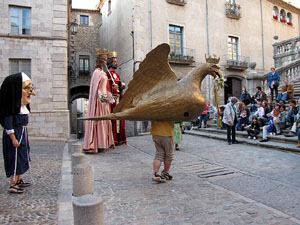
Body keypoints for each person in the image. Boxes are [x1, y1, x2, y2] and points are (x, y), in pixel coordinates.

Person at [0, 72, 36, 194]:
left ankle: (19, 179)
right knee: (14, 157)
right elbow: (8, 123)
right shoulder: (11, 108)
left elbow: (24, 124)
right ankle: (12, 183)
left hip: (22, 133)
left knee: (22, 157)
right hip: (14, 135)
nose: (32, 93)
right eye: (27, 89)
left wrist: (26, 137)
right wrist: (13, 138)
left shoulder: (23, 107)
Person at [83, 54, 115, 153]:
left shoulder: (103, 73)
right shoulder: (96, 73)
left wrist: (110, 96)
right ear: (100, 61)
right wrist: (103, 99)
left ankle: (105, 143)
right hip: (99, 101)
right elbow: (95, 89)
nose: (106, 62)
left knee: (105, 122)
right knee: (100, 122)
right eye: (104, 60)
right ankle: (99, 144)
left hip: (104, 100)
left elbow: (105, 88)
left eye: (106, 60)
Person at [106, 56, 127, 145]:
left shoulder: (117, 75)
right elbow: (105, 88)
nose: (116, 63)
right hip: (111, 101)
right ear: (110, 63)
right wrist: (111, 88)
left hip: (118, 99)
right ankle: (113, 139)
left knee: (120, 120)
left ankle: (120, 139)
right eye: (114, 61)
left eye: (116, 61)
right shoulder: (106, 74)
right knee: (113, 120)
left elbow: (119, 88)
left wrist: (121, 87)